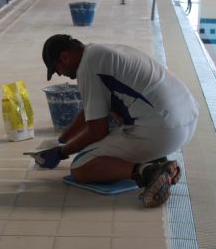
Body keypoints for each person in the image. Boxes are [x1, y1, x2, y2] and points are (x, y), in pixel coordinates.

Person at [39, 34, 198, 207]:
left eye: (57, 69)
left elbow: (97, 132)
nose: (61, 74)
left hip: (163, 130)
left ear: (64, 57)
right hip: (187, 120)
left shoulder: (87, 67)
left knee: (81, 166)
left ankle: (149, 172)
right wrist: (62, 140)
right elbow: (89, 112)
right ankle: (157, 160)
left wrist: (62, 153)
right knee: (115, 116)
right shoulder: (98, 53)